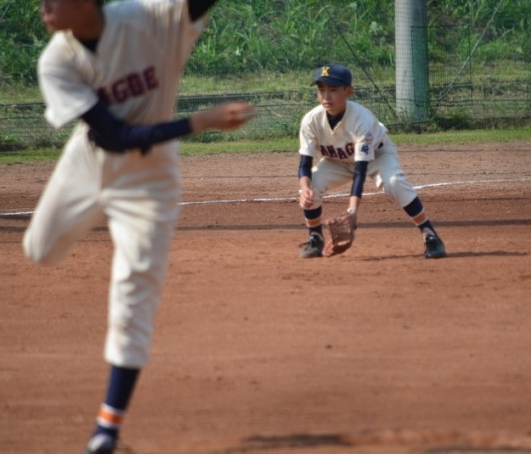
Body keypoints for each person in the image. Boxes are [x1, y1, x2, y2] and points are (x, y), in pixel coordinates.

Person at [24, 1, 255, 453]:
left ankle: (106, 431)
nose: (43, 6)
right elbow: (113, 136)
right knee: (39, 249)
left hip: (150, 180)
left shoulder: (147, 17)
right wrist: (199, 122)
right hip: (89, 161)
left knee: (135, 289)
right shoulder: (57, 60)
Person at [297, 63, 446, 259]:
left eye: (333, 89)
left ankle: (430, 235)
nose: (326, 96)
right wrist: (305, 189)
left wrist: (352, 211)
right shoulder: (311, 120)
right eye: (321, 89)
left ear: (349, 91)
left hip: (377, 155)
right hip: (338, 161)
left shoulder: (362, 119)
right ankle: (315, 238)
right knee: (310, 187)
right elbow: (304, 164)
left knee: (394, 182)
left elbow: (360, 170)